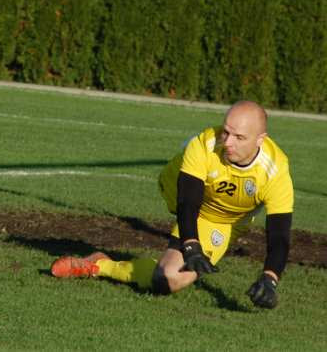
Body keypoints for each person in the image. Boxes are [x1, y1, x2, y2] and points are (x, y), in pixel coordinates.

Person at [51, 101, 293, 309]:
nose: (228, 142)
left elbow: (279, 234)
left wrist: (270, 279)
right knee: (187, 213)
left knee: (168, 279)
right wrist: (191, 246)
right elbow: (188, 201)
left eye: (240, 137)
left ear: (261, 140)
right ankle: (176, 245)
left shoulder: (275, 170)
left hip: (222, 221)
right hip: (178, 188)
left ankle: (99, 265)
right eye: (226, 132)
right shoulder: (206, 143)